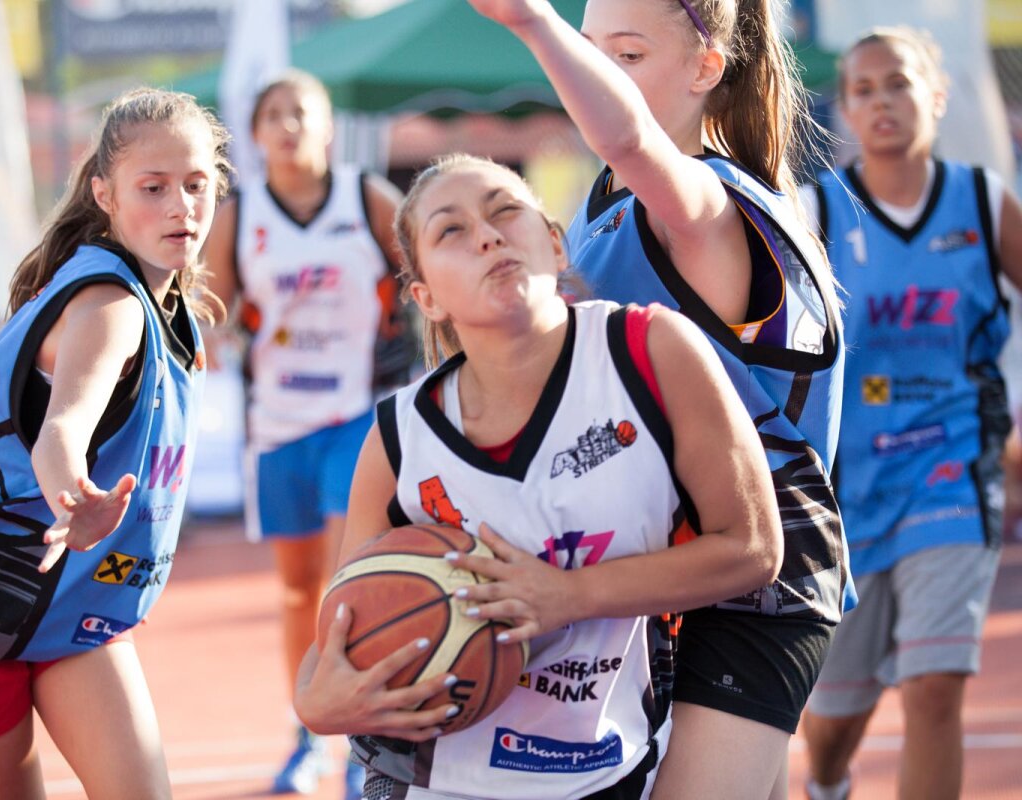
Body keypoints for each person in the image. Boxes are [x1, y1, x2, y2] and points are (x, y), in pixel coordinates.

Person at [292, 154, 785, 800]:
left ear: (554, 244)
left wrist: (570, 594)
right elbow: (347, 617)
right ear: (426, 298)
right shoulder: (400, 437)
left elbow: (753, 548)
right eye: (451, 230)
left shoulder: (650, 352)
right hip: (436, 777)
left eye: (505, 212)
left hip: (605, 765)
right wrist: (316, 702)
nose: (487, 236)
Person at [467, 2, 852, 798]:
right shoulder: (599, 207)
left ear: (707, 68)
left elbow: (631, 139)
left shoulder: (708, 204)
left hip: (754, 578)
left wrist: (532, 23)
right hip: (651, 561)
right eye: (589, 50)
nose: (597, 72)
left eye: (629, 56)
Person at [0, 88, 231, 800]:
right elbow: (64, 425)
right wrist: (73, 497)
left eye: (196, 184)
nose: (181, 206)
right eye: (153, 188)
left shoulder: (174, 306)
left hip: (68, 596)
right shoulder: (112, 308)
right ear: (105, 195)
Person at [799, 28, 1022, 800]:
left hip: (952, 471)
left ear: (936, 94)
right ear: (846, 110)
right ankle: (828, 781)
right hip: (847, 489)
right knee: (836, 714)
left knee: (934, 687)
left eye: (898, 83)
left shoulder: (983, 203)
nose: (882, 101)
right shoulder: (817, 212)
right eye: (863, 89)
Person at [201, 69, 408, 798]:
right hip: (276, 424)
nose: (288, 125)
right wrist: (206, 331)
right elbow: (210, 304)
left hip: (357, 417)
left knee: (348, 587)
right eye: (274, 115)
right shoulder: (239, 215)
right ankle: (306, 732)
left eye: (302, 112)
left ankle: (361, 743)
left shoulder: (367, 198)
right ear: (255, 135)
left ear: (328, 127)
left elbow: (424, 269)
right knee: (297, 593)